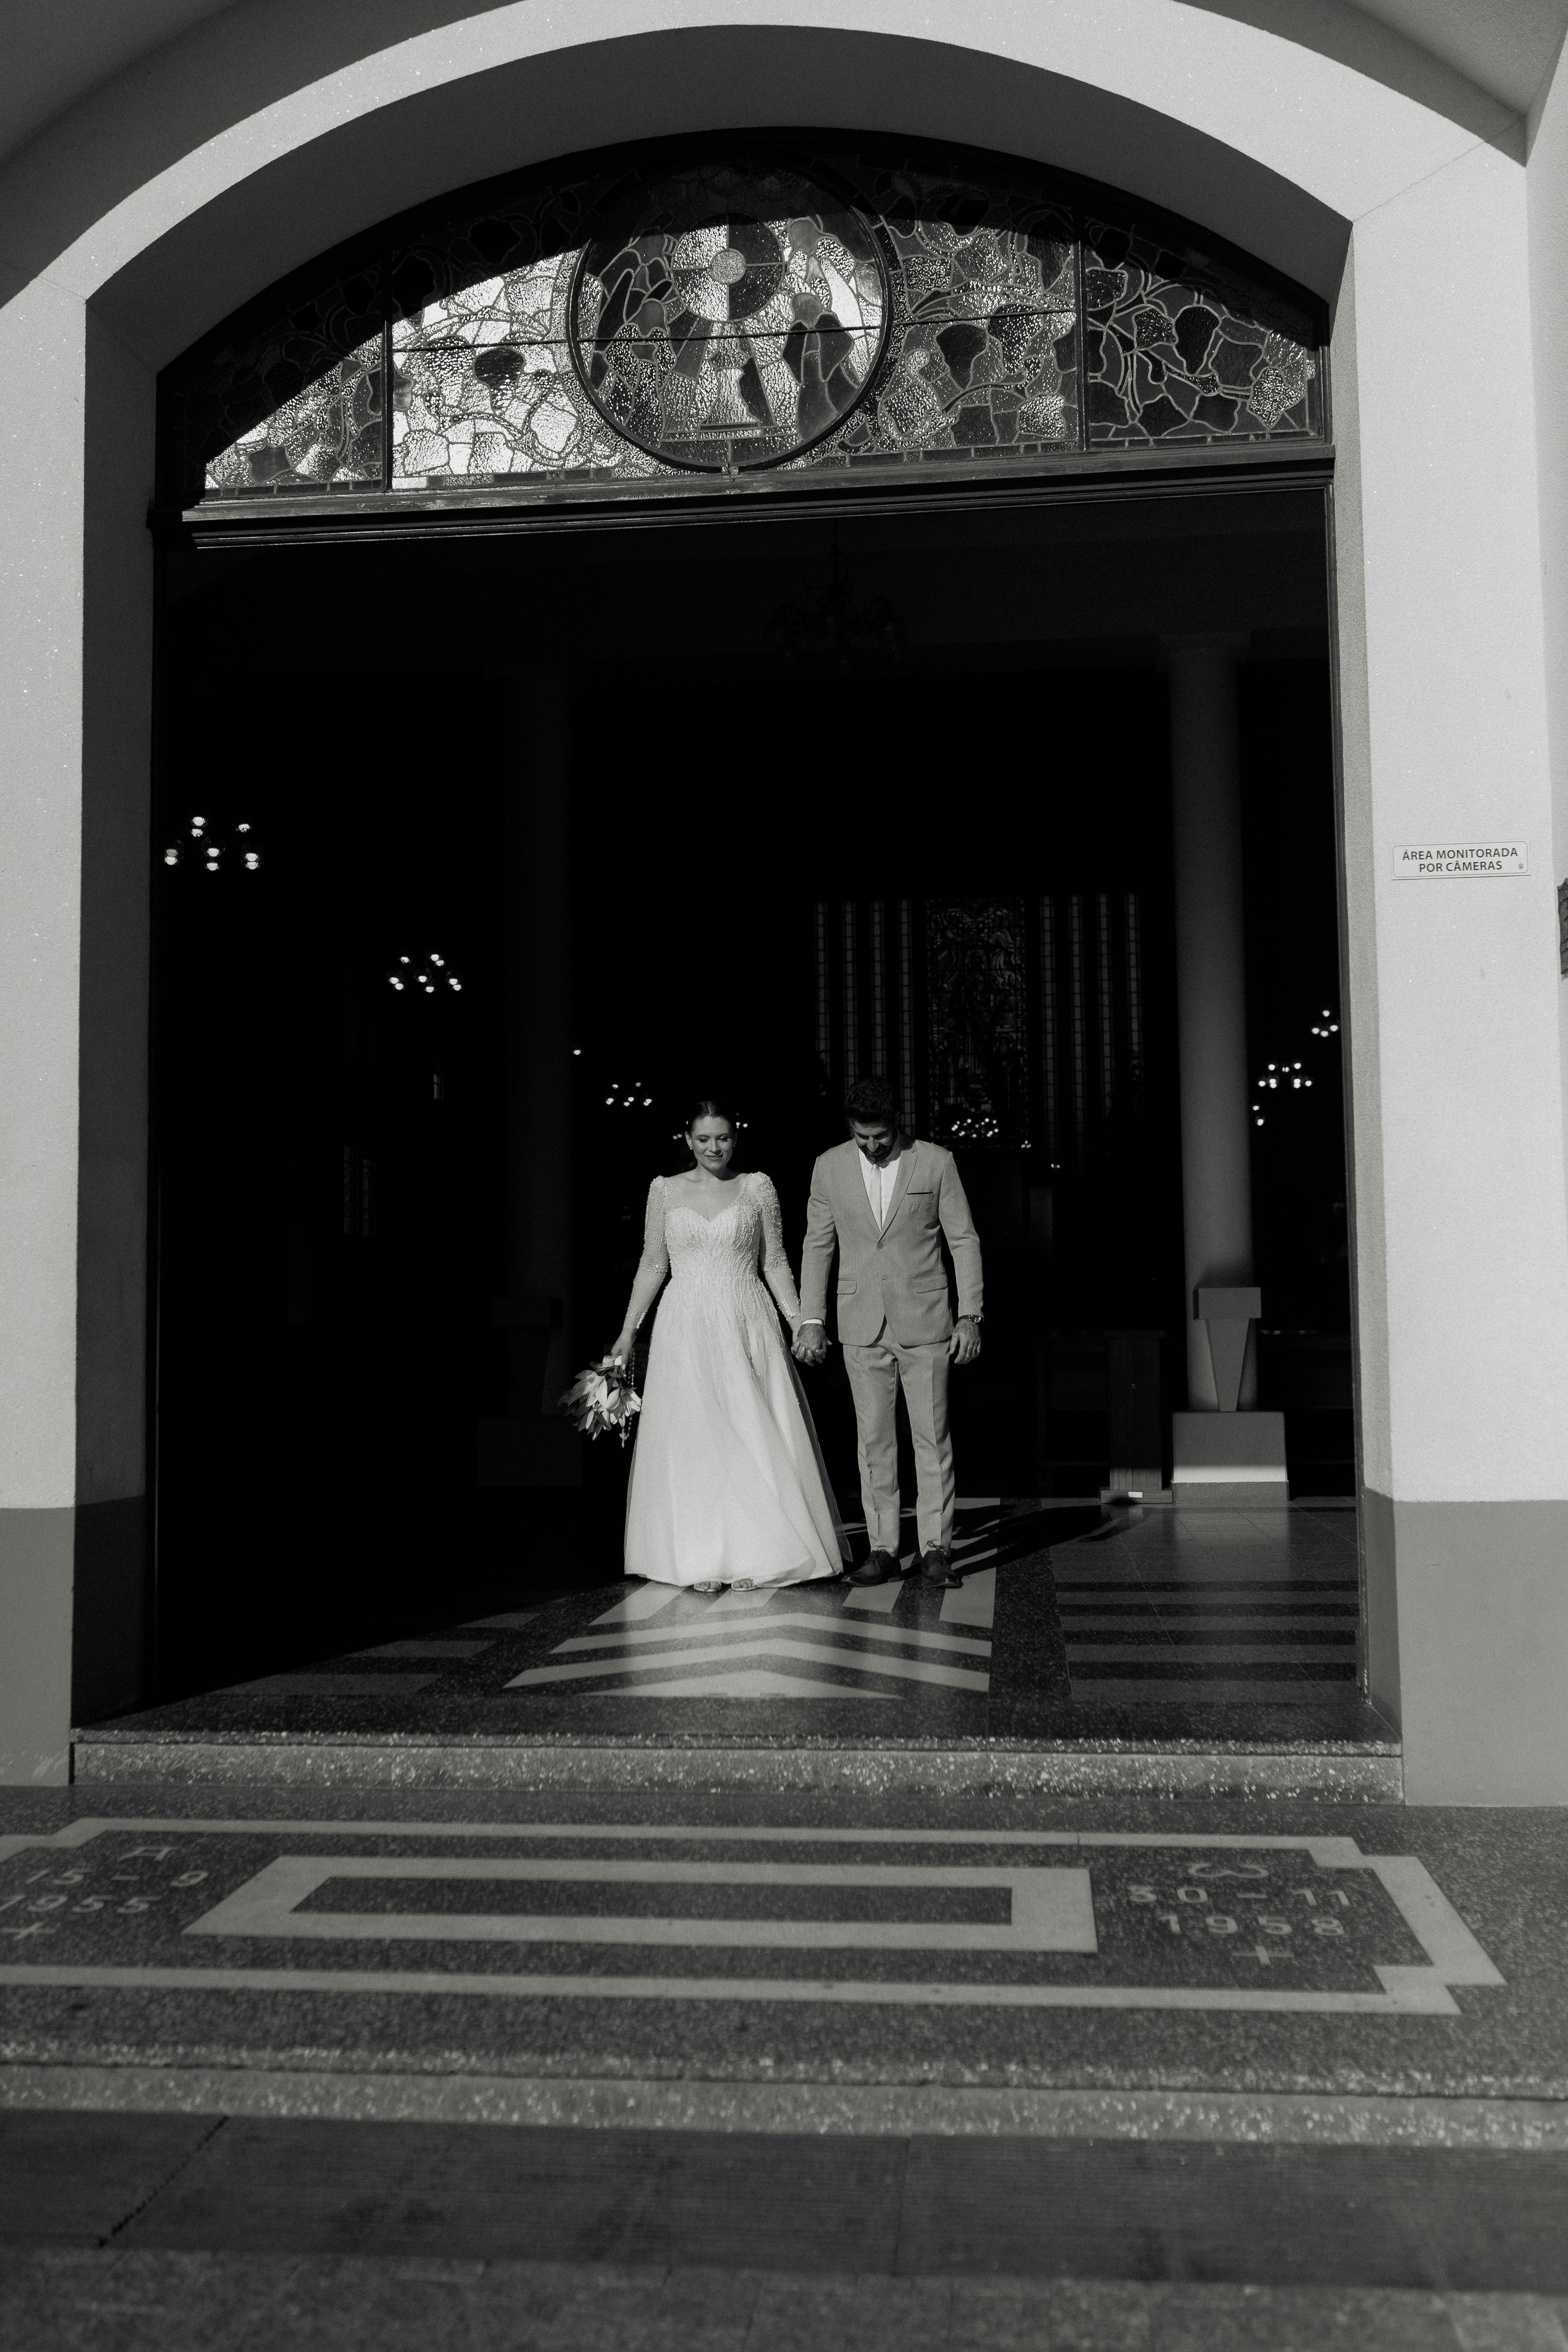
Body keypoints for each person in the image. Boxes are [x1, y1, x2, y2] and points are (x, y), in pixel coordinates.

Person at [609, 1099, 847, 1594]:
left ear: (734, 1138)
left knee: (751, 1428)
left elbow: (776, 1261)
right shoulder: (665, 1190)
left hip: (746, 1316)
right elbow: (654, 1264)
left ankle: (755, 1553)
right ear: (688, 1140)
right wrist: (629, 1330)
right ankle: (701, 1557)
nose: (714, 1148)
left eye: (722, 1138)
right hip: (684, 1323)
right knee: (696, 1437)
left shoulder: (756, 1187)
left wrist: (803, 1321)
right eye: (704, 1139)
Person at [793, 1076, 983, 1588]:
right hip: (859, 1324)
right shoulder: (829, 1167)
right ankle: (882, 1548)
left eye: (881, 1137)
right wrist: (811, 1320)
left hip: (925, 1321)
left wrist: (971, 1314)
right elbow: (818, 1247)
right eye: (863, 1138)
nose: (873, 1147)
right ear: (850, 1128)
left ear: (896, 1123)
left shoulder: (936, 1161)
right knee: (873, 1440)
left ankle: (937, 1548)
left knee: (931, 1438)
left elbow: (963, 1240)